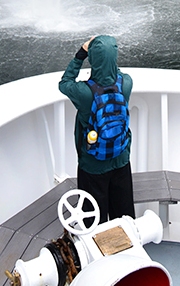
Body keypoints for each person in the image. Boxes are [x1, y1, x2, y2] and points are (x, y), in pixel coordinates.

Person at [59, 34, 134, 223]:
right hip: (121, 159)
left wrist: (81, 54)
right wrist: (106, 52)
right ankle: (126, 247)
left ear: (92, 59)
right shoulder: (126, 83)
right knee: (123, 215)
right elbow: (114, 72)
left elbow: (64, 82)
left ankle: (96, 249)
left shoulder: (84, 93)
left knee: (93, 217)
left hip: (93, 164)